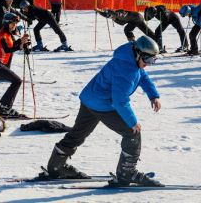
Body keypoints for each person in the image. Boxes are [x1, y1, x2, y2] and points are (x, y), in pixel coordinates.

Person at [44, 35, 163, 187]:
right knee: (132, 133)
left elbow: (142, 76)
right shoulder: (126, 70)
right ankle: (126, 173)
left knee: (78, 134)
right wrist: (132, 123)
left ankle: (56, 166)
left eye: (153, 60)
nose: (148, 64)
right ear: (138, 53)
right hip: (103, 105)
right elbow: (120, 101)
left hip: (89, 99)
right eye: (147, 60)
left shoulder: (128, 57)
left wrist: (153, 95)